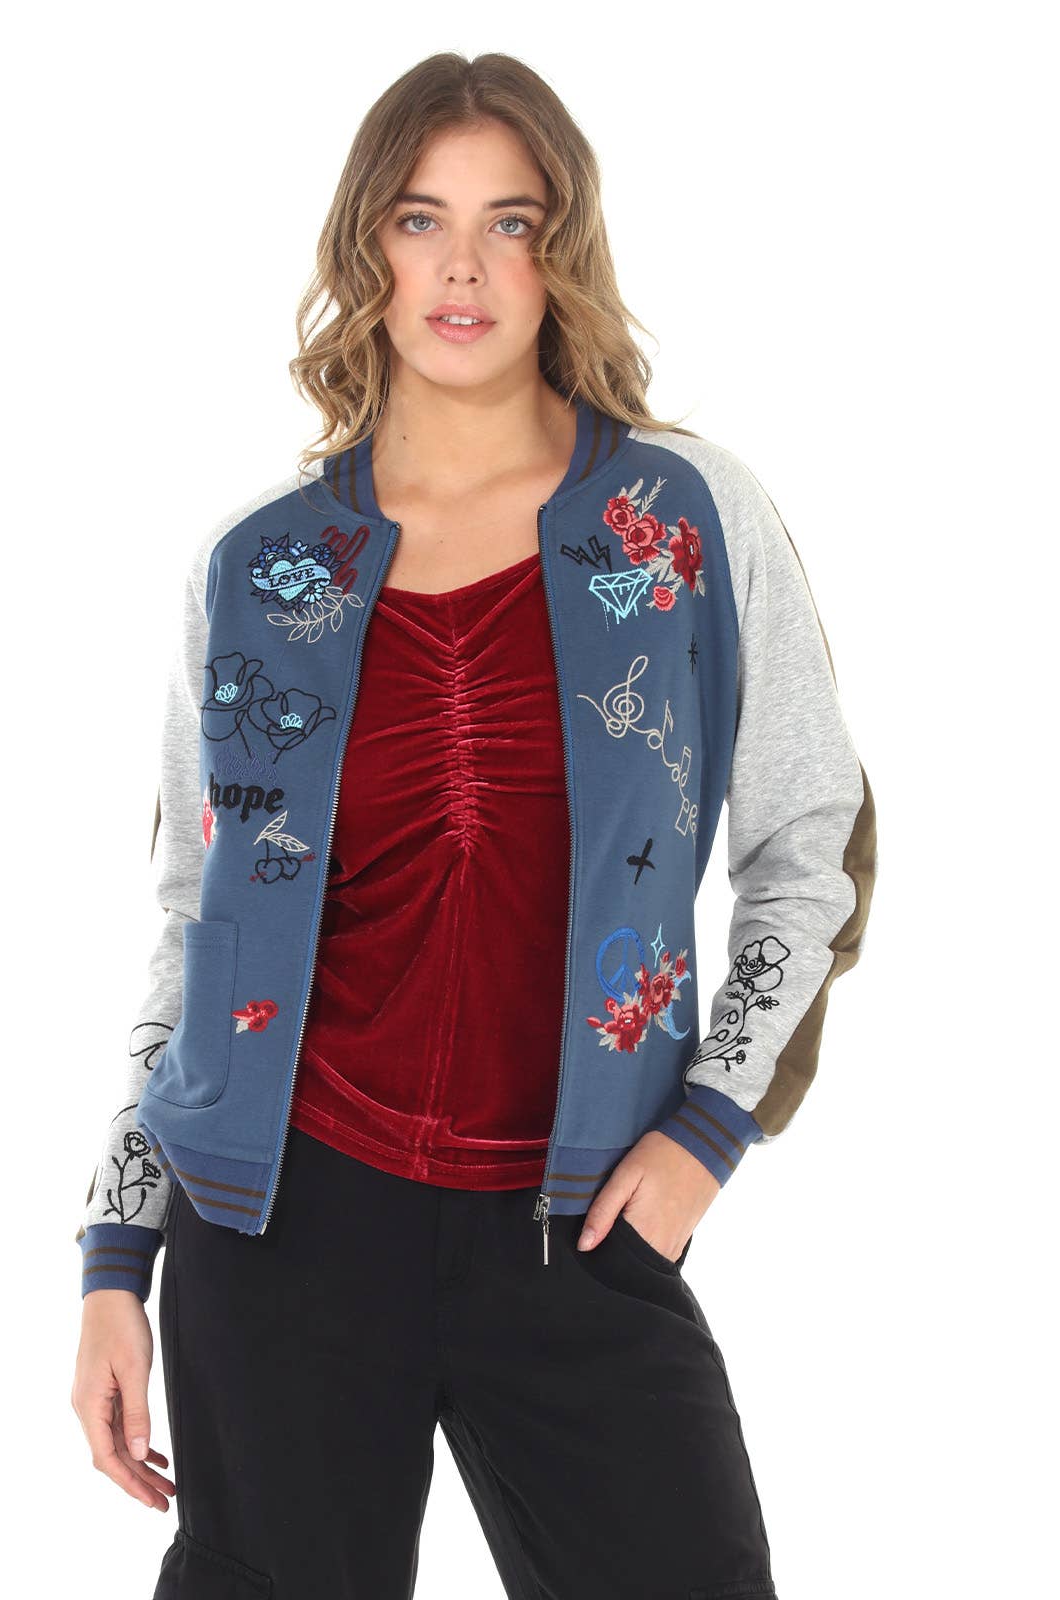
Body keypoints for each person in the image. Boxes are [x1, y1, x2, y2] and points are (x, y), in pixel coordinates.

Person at [71, 51, 877, 1600]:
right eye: (420, 220)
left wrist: (708, 1132)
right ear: (364, 247)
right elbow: (192, 927)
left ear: (561, 252)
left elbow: (812, 845)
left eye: (510, 223)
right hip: (280, 1221)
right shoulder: (252, 568)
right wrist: (118, 1254)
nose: (462, 267)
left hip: (578, 1226)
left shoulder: (686, 521)